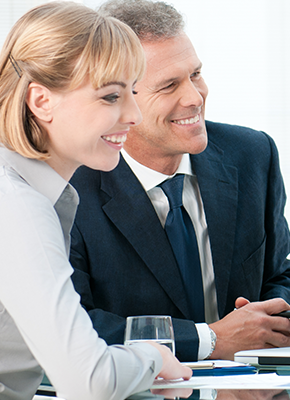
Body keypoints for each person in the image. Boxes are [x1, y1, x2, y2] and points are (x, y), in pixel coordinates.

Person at [68, 0, 290, 362]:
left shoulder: (252, 154)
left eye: (195, 74)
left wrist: (265, 320)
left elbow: (282, 272)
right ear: (115, 99)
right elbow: (77, 325)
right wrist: (208, 339)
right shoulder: (69, 187)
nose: (195, 97)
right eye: (168, 86)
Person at [0, 2, 191, 399]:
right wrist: (151, 354)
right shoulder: (17, 204)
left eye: (133, 93)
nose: (134, 115)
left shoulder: (37, 194)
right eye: (110, 97)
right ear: (41, 101)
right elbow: (90, 381)